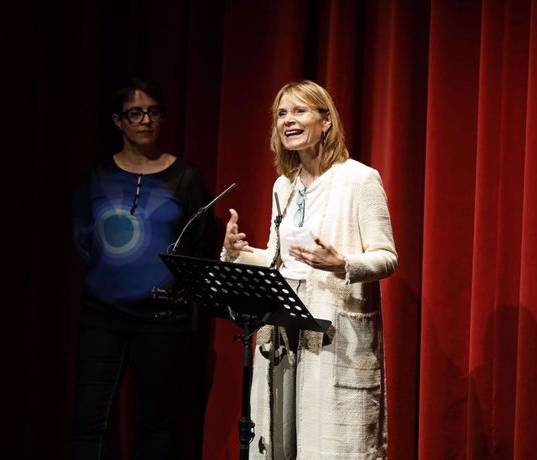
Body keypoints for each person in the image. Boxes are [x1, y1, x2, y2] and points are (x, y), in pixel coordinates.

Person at [221, 80, 397, 459]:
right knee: (279, 440)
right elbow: (277, 259)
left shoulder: (360, 179)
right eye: (282, 114)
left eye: (300, 111)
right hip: (282, 325)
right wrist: (237, 253)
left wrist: (343, 264)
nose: (288, 121)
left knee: (329, 444)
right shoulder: (283, 186)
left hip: (332, 330)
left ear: (326, 122)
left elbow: (387, 257)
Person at [70, 77, 214, 460]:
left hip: (164, 321)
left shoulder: (186, 178)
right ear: (118, 121)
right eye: (135, 113)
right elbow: (84, 240)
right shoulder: (97, 176)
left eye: (153, 112)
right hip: (102, 316)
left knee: (156, 424)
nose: (146, 120)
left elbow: (201, 247)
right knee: (89, 422)